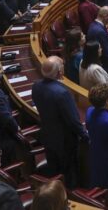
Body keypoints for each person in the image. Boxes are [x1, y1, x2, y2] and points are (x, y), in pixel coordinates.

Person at [32, 57, 88, 188]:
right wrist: (85, 135)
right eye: (62, 66)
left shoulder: (36, 86)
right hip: (64, 140)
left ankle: (55, 191)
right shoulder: (62, 93)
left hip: (47, 135)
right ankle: (70, 195)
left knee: (54, 168)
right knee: (68, 172)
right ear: (59, 72)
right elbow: (73, 120)